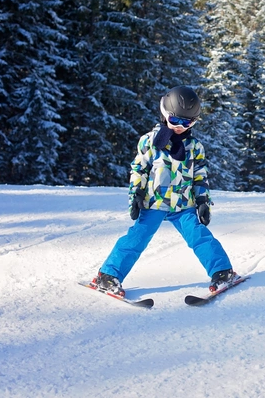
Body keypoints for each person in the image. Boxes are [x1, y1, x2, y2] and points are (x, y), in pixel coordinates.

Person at [91, 86, 237, 296]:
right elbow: (139, 168)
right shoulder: (150, 141)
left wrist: (203, 200)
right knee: (137, 238)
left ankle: (222, 272)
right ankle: (108, 275)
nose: (180, 126)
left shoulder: (194, 147)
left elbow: (200, 175)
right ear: (164, 114)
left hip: (183, 205)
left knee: (200, 237)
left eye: (187, 122)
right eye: (175, 121)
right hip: (154, 203)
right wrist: (136, 194)